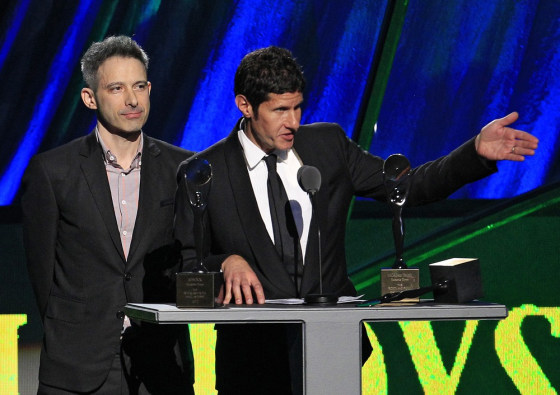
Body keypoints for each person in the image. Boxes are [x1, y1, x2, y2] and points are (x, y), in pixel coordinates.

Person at [173, 46, 539, 394]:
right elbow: (186, 264)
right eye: (280, 110)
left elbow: (408, 187)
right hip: (254, 362)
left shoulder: (328, 146)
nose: (294, 122)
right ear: (245, 106)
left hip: (332, 351)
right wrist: (225, 264)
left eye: (299, 108)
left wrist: (473, 153)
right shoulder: (206, 171)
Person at [21, 36, 195, 394]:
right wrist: (74, 331)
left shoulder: (183, 168)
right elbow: (42, 273)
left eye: (139, 86)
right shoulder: (53, 171)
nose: (132, 100)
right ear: (89, 98)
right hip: (77, 365)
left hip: (161, 362)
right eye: (116, 88)